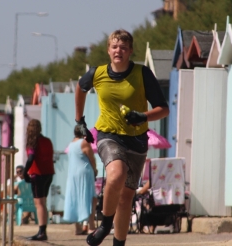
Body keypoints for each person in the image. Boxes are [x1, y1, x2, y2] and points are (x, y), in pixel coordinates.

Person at [75, 29, 169, 246]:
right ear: (109, 50)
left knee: (126, 198)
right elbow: (81, 88)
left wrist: (142, 116)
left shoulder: (142, 74)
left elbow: (163, 109)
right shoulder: (96, 73)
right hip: (108, 135)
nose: (119, 50)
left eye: (124, 47)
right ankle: (105, 225)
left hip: (137, 140)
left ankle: (119, 243)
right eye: (115, 46)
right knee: (116, 175)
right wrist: (79, 120)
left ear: (130, 51)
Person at [63, 125, 98, 235]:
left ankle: (78, 227)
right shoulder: (84, 143)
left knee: (76, 198)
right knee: (91, 198)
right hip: (84, 173)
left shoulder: (71, 144)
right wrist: (95, 169)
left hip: (73, 173)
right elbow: (91, 158)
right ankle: (91, 226)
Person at [23, 119, 55, 241]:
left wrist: (25, 172)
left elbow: (31, 157)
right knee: (43, 203)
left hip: (38, 174)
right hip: (49, 174)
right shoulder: (47, 141)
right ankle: (43, 230)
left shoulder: (33, 142)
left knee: (39, 204)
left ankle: (42, 232)